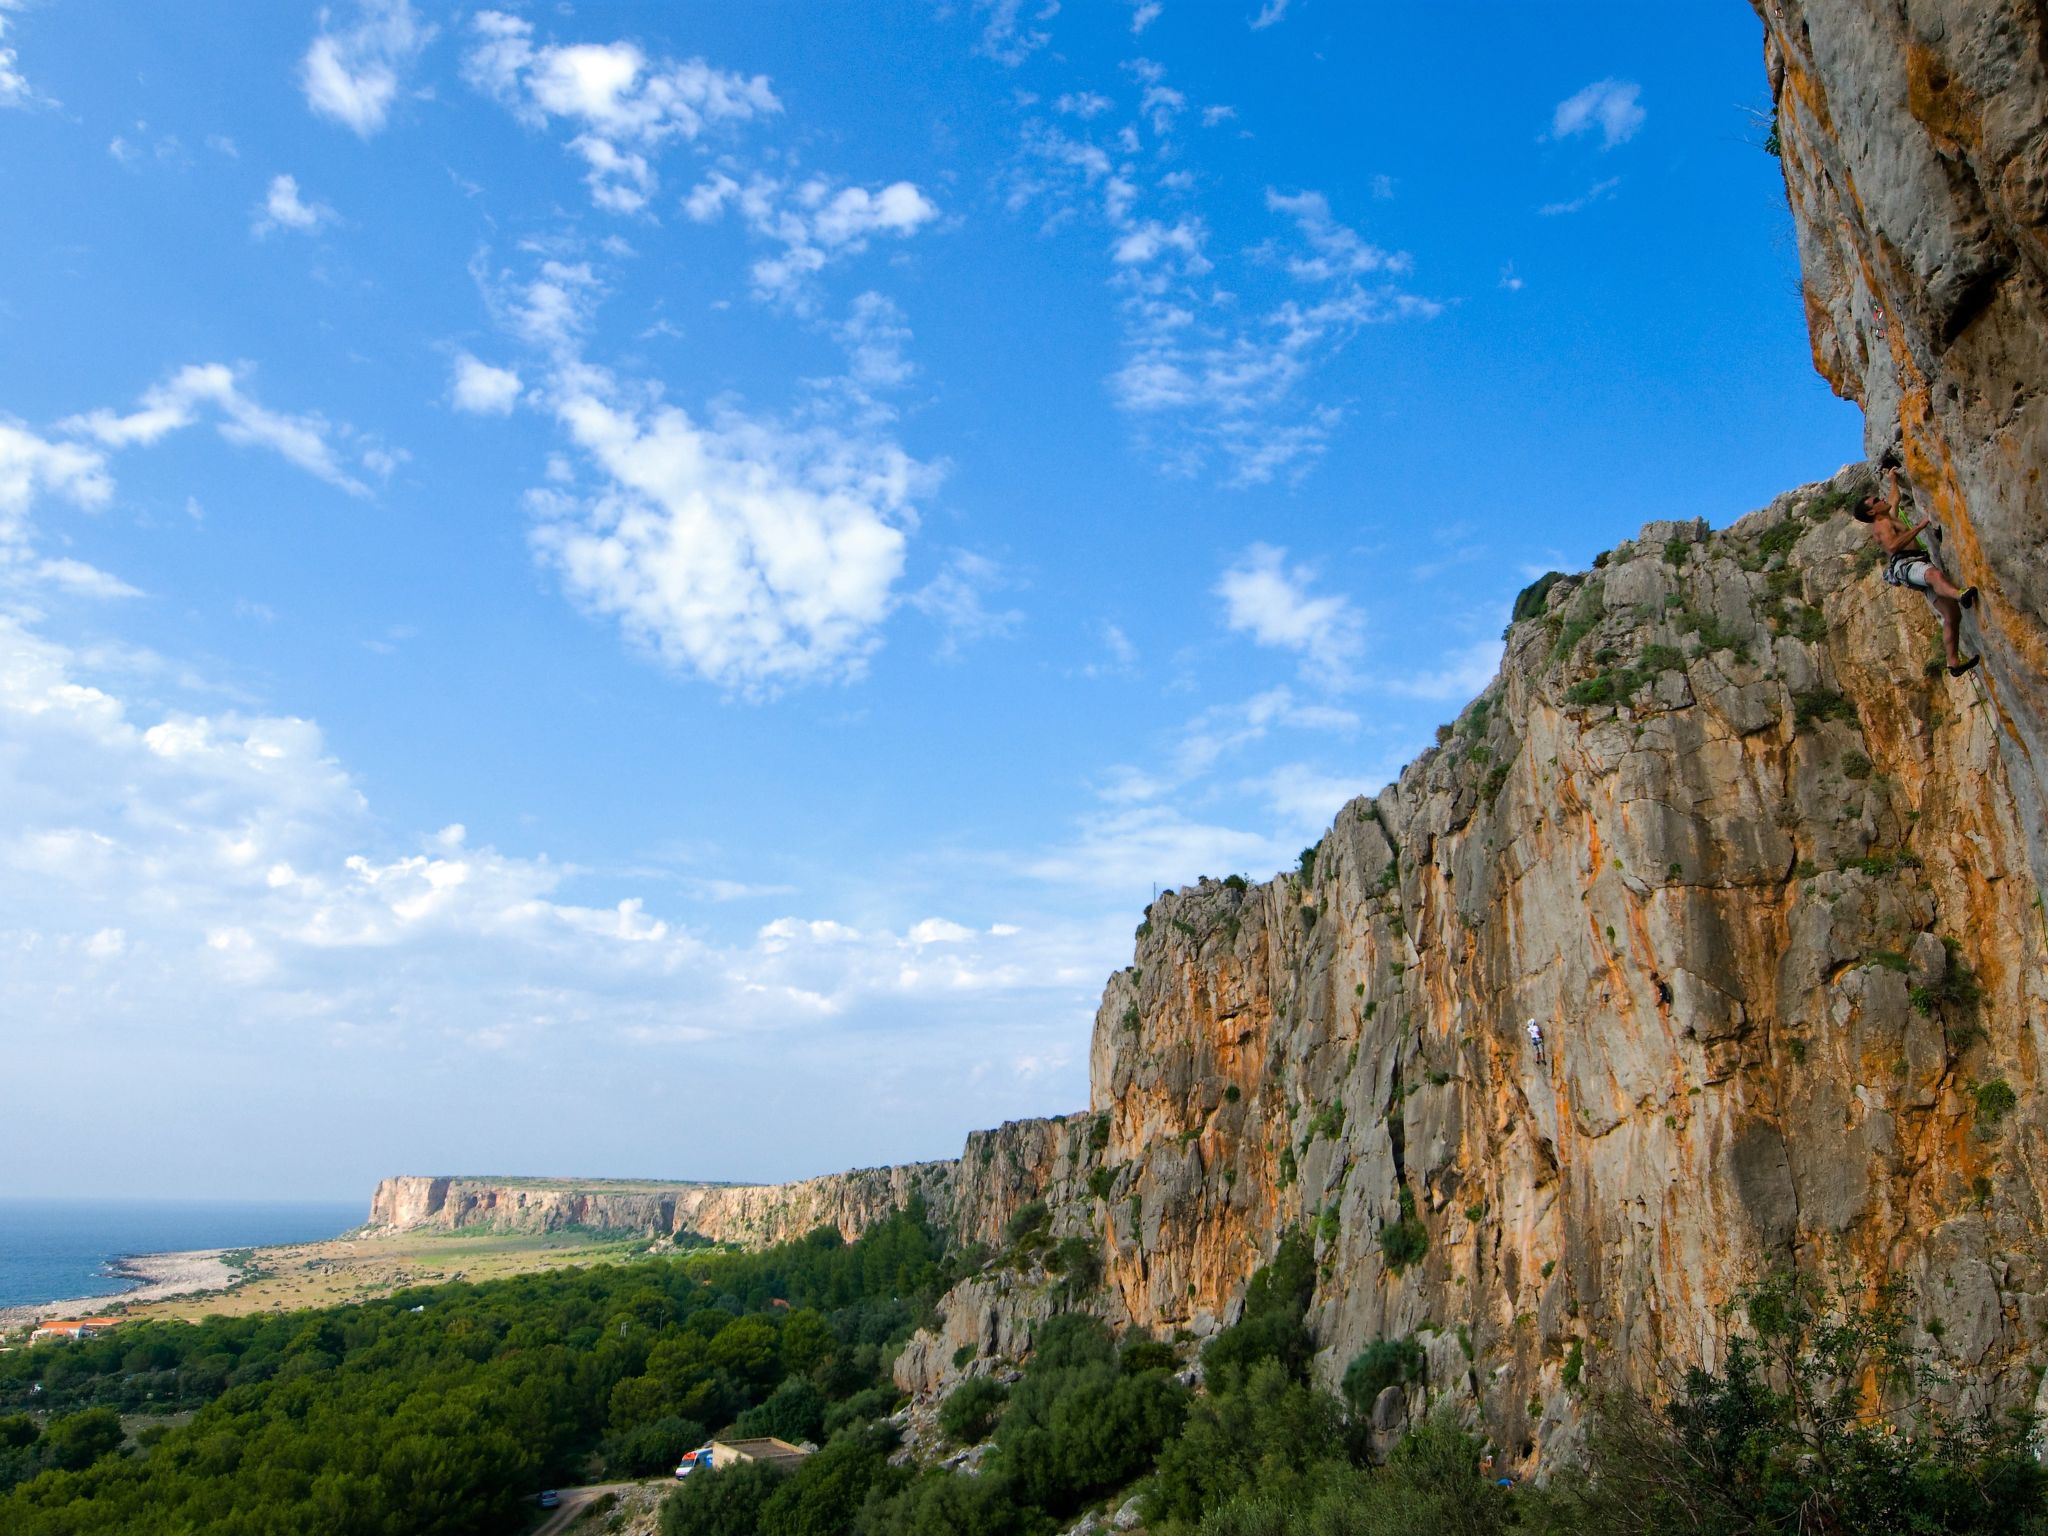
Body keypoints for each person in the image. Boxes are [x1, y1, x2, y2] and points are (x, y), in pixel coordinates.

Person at [1851, 466, 1980, 676]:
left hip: (1915, 563)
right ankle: (1960, 594)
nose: (1882, 499)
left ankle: (1953, 662)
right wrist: (1919, 528)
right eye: (1876, 501)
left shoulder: (1889, 516)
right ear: (1873, 511)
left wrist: (1893, 479)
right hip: (1907, 565)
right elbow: (1893, 547)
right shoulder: (1880, 526)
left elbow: (1894, 498)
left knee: (1952, 616)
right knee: (1933, 575)